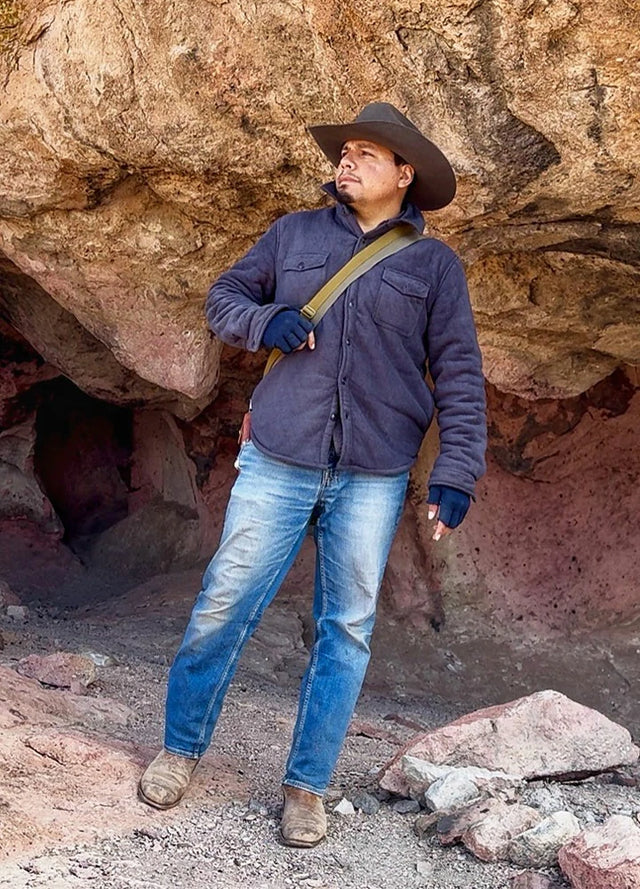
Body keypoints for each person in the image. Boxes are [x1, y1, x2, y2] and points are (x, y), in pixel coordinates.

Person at [138, 103, 486, 847]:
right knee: (224, 603)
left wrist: (458, 466)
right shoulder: (293, 234)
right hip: (278, 458)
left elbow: (458, 370)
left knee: (347, 631)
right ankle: (180, 749)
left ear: (405, 174)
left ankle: (307, 786)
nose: (347, 161)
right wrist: (268, 323)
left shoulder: (434, 266)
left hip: (374, 472)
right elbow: (223, 299)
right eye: (345, 151)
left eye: (367, 153)